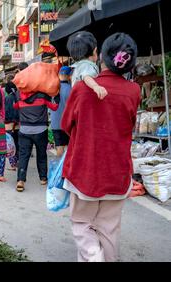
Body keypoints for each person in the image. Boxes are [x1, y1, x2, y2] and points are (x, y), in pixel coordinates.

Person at [61, 33, 140, 262]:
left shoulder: (82, 89)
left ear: (100, 55)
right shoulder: (133, 91)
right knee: (109, 228)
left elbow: (67, 125)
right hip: (118, 171)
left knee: (82, 223)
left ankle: (95, 259)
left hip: (84, 170)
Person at [13, 62, 59, 192]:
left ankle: (20, 180)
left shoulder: (19, 95)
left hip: (24, 130)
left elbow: (15, 107)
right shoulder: (43, 95)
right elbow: (54, 107)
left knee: (23, 156)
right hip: (40, 130)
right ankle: (43, 178)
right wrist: (56, 95)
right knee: (41, 154)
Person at [67, 31, 108, 100]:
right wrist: (95, 86)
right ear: (95, 51)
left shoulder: (79, 66)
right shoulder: (86, 65)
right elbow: (86, 76)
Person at [50, 66, 73, 157]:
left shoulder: (52, 88)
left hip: (55, 123)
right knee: (68, 147)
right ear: (69, 76)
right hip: (67, 123)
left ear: (59, 75)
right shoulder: (71, 89)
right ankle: (66, 167)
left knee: (59, 147)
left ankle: (59, 170)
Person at [4, 82, 20, 171]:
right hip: (18, 125)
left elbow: (6, 112)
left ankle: (13, 165)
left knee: (10, 145)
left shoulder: (7, 98)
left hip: (10, 125)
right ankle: (17, 163)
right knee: (17, 145)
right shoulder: (17, 97)